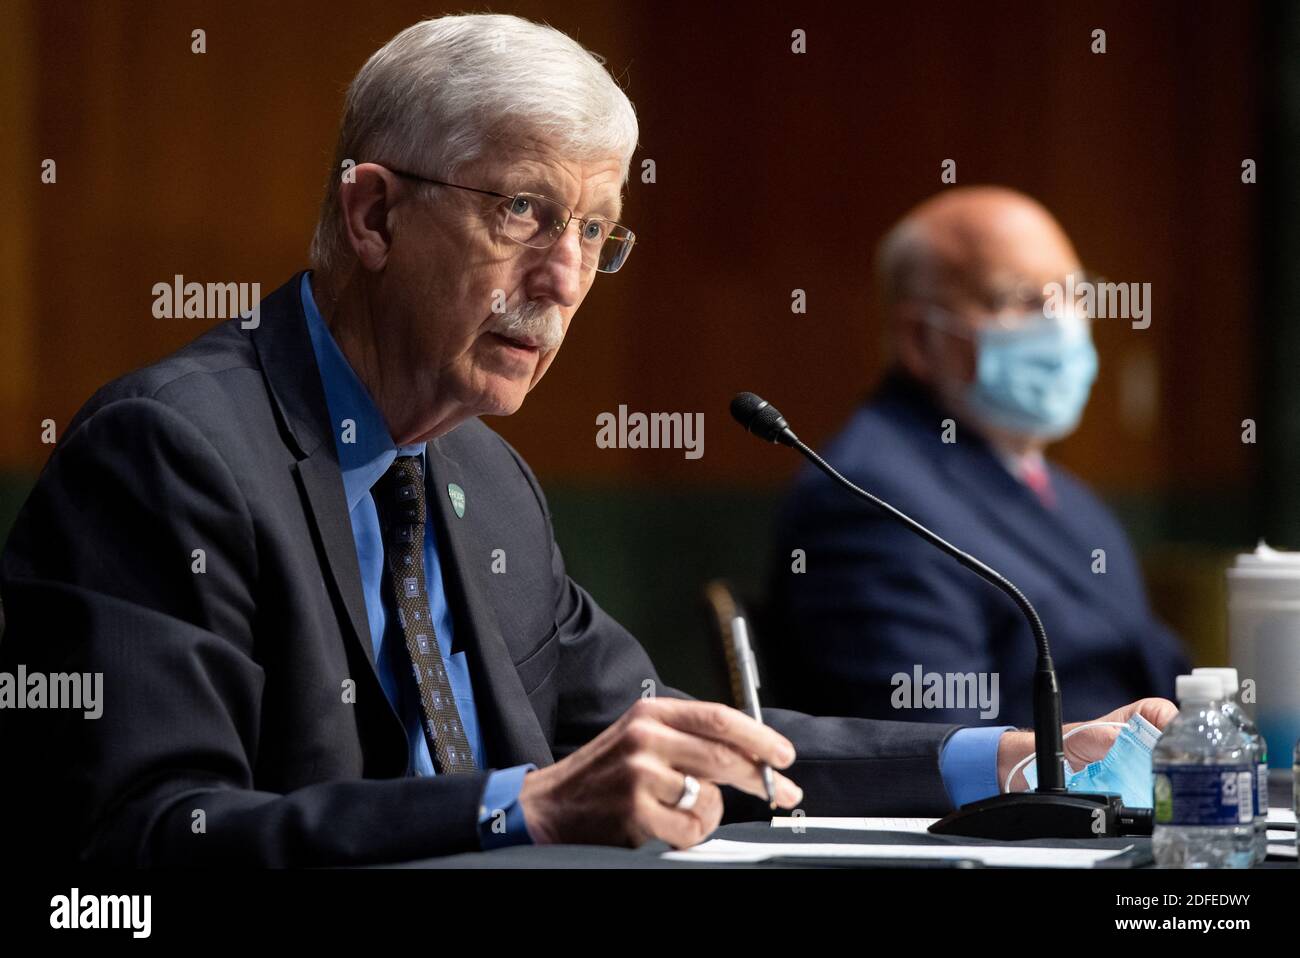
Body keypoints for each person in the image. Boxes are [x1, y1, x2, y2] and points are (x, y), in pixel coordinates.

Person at [0, 18, 1174, 867]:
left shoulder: (479, 476)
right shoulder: (168, 454)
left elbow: (678, 735)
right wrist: (523, 808)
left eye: (595, 233)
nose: (561, 278)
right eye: (521, 211)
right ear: (372, 214)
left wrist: (1016, 756)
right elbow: (138, 843)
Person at [769, 187, 1188, 728]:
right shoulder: (868, 499)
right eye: (1022, 300)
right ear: (921, 338)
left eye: (1074, 295)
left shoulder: (1060, 490)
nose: (1063, 324)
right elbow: (938, 753)